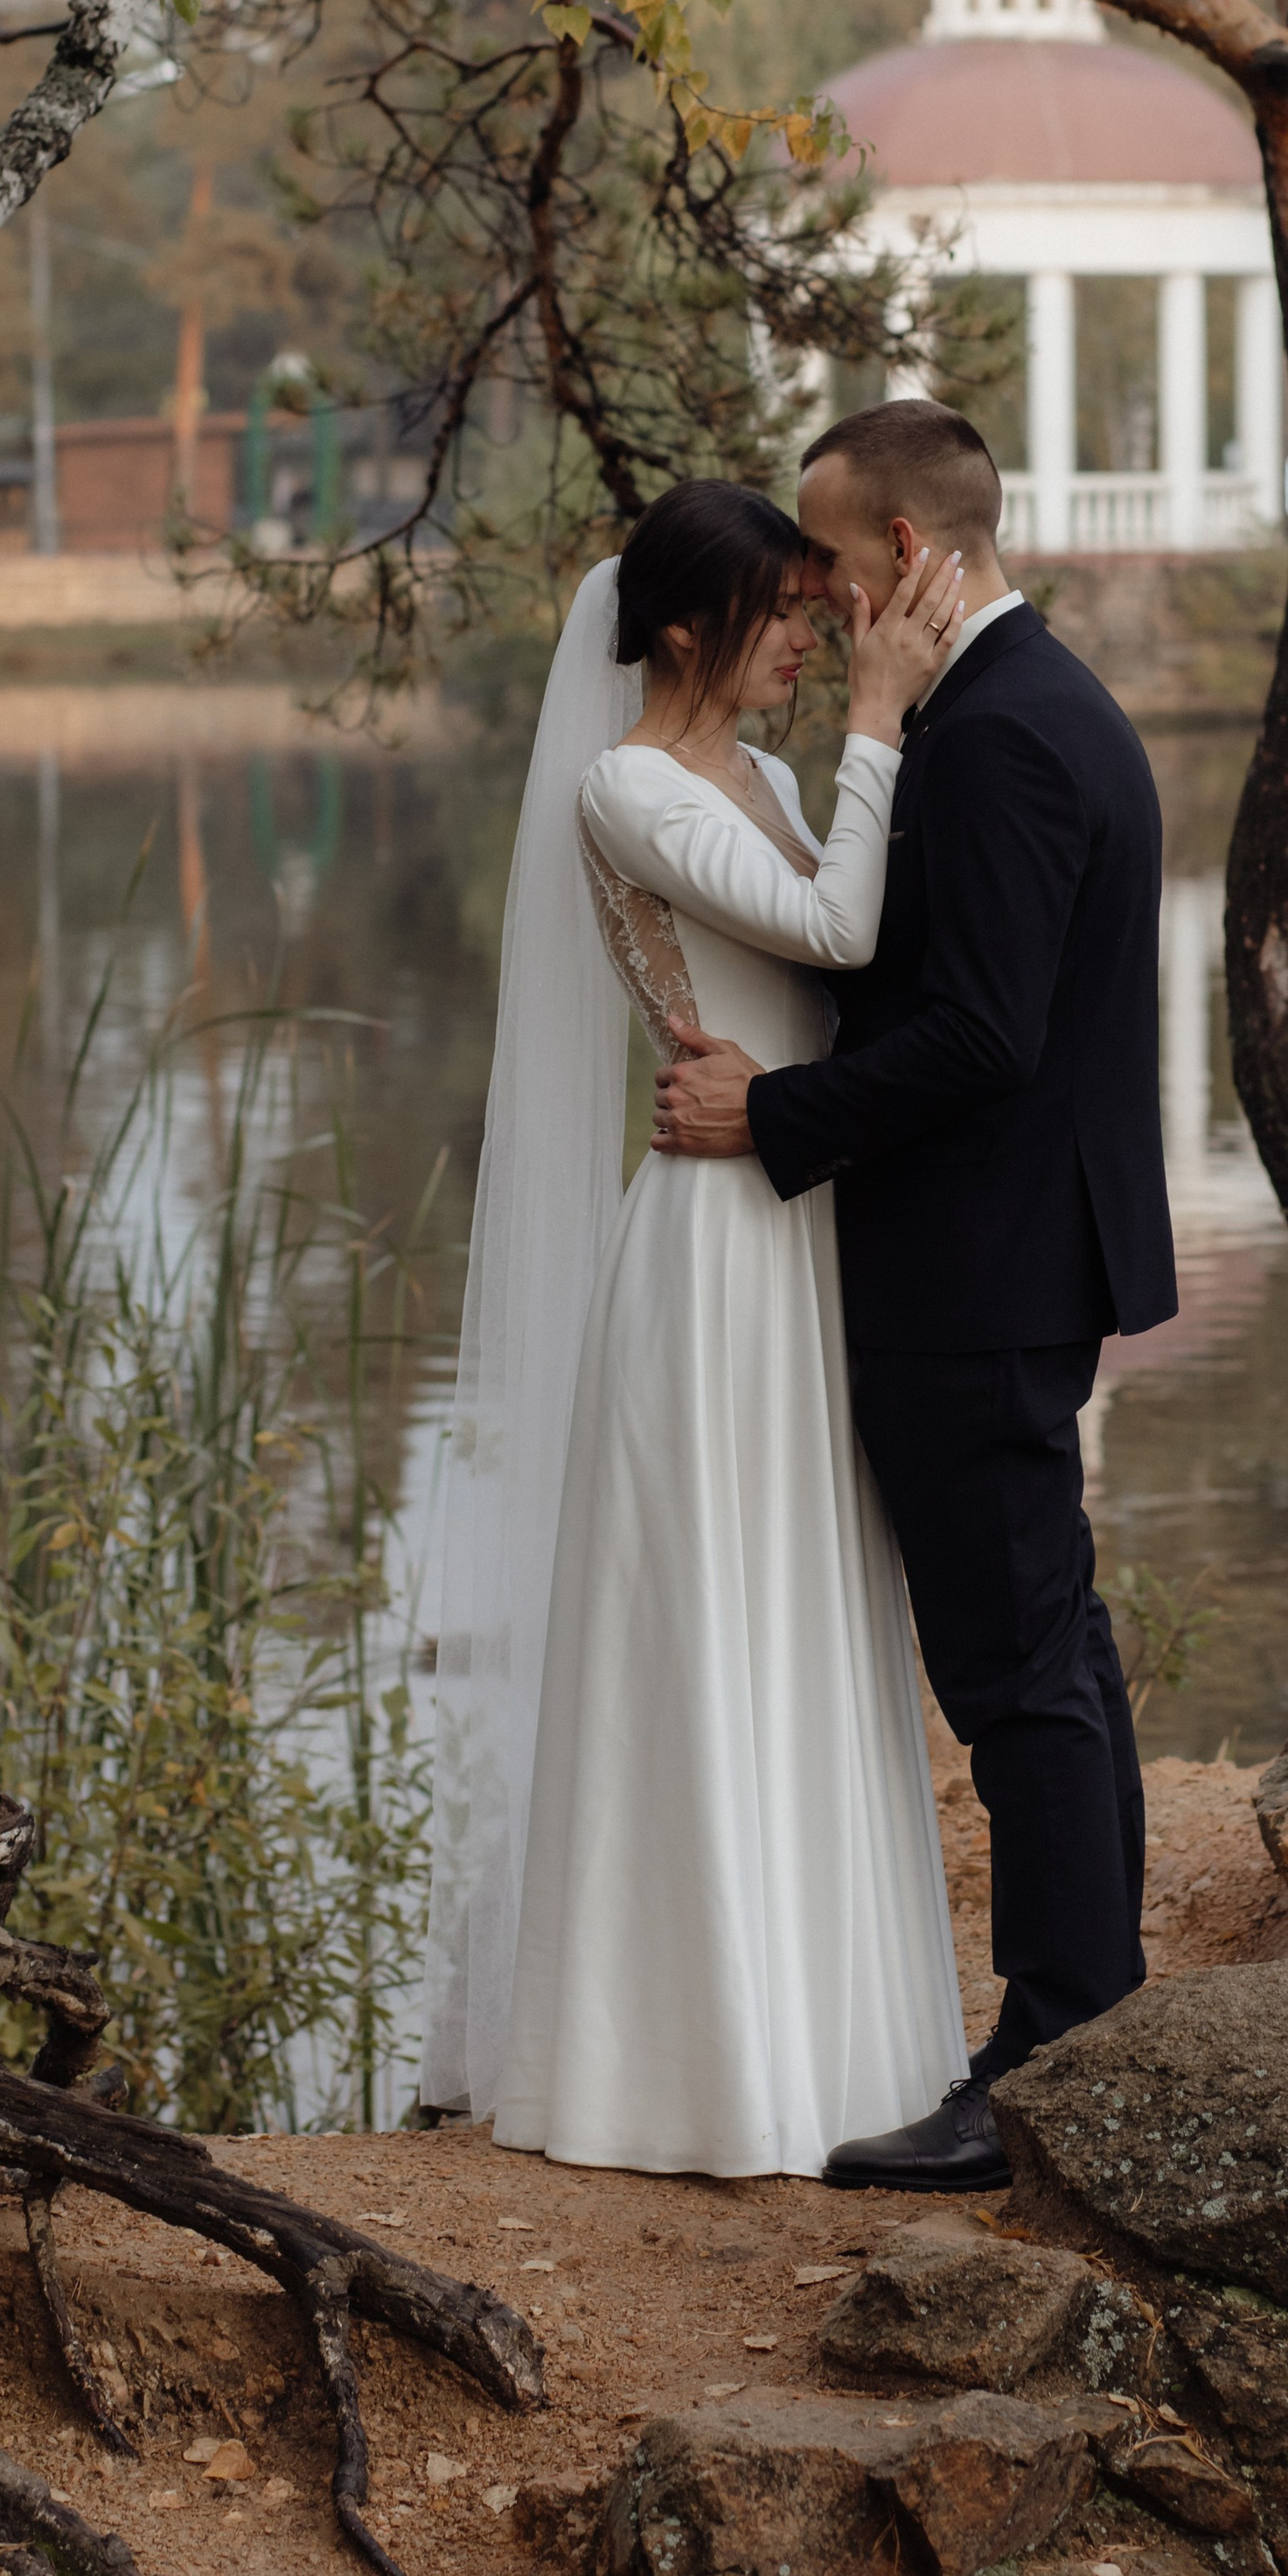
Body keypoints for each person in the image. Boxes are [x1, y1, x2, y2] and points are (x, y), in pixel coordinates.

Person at [654, 398, 1176, 2192]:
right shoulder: (1025, 702)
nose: (805, 586)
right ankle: (1096, 2028)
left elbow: (981, 1034)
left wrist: (771, 1112)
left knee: (1015, 1664)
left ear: (900, 551)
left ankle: (1049, 2060)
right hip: (1013, 1250)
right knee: (1050, 1644)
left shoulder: (1002, 734)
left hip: (979, 1264)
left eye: (821, 554)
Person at [421, 478, 971, 2175]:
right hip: (712, 1254)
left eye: (816, 612)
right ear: (680, 626)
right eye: (783, 613)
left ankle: (835, 2049)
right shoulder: (626, 786)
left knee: (807, 1608)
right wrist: (884, 715)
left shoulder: (780, 784)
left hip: (798, 1221)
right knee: (708, 1615)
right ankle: (692, 2072)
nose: (808, 638)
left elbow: (850, 979)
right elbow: (835, 926)